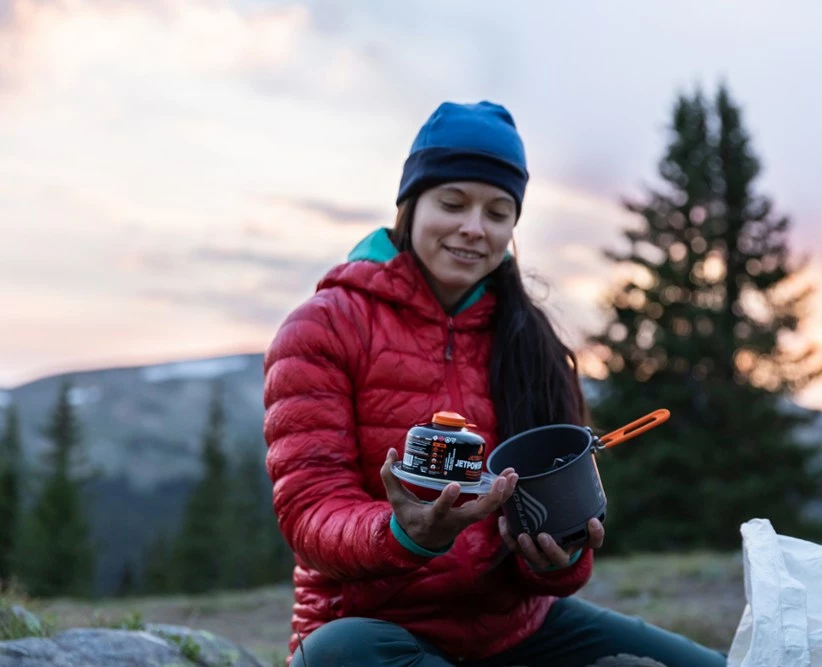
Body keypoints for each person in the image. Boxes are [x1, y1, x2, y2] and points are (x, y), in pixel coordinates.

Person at [263, 100, 727, 667]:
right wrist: (404, 532)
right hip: (375, 630)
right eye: (452, 203)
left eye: (498, 212)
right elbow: (309, 511)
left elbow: (559, 519)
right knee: (342, 655)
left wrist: (557, 555)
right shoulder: (325, 327)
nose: (474, 228)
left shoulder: (530, 340)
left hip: (514, 629)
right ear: (410, 205)